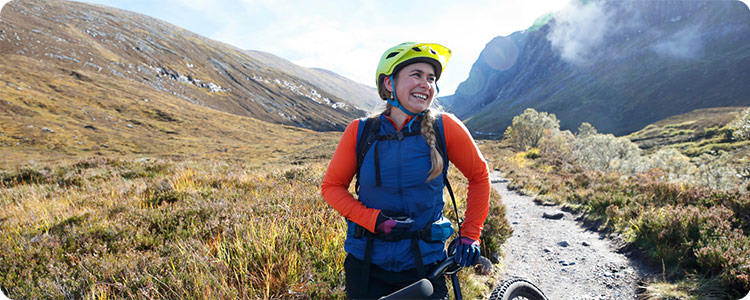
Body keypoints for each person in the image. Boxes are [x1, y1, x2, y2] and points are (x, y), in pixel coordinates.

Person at [321, 42, 490, 299]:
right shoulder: (361, 131)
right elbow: (332, 187)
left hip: (426, 265)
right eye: (416, 75)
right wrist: (372, 219)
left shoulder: (446, 127)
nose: (426, 84)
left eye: (431, 78)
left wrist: (470, 235)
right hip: (366, 264)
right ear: (389, 83)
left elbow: (479, 176)